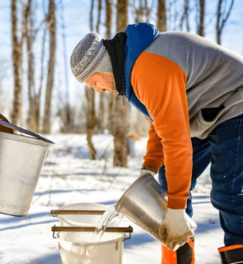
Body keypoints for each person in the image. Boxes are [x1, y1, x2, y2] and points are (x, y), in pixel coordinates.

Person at [70, 23, 243, 264]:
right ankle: (179, 259)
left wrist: (176, 207)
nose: (97, 90)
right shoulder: (132, 69)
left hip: (235, 100)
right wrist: (149, 166)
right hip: (204, 111)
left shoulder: (147, 68)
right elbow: (160, 123)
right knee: (169, 184)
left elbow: (175, 139)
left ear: (102, 66)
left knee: (228, 193)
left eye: (93, 83)